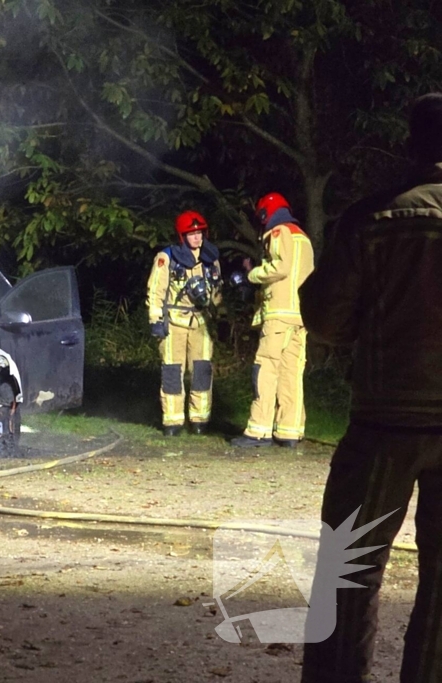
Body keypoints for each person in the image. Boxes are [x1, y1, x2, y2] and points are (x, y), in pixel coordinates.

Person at [298, 93, 442, 683]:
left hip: (385, 421)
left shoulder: (372, 218)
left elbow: (327, 319)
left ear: (413, 144)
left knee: (348, 569)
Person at [230, 193, 314, 448]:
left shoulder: (278, 233)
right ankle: (289, 431)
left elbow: (280, 267)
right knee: (292, 374)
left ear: (267, 214)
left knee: (265, 369)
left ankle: (258, 431)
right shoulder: (304, 238)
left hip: (278, 314)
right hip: (300, 316)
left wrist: (252, 275)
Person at [145, 210, 222, 436]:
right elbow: (156, 291)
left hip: (202, 322)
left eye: (199, 232)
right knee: (172, 372)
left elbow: (218, 292)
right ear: (182, 236)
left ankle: (200, 419)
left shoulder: (211, 258)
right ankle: (173, 421)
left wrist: (220, 318)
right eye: (191, 233)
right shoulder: (166, 258)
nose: (197, 237)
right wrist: (155, 320)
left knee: (202, 371)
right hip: (174, 323)